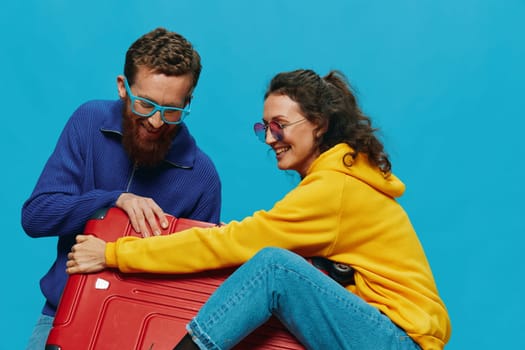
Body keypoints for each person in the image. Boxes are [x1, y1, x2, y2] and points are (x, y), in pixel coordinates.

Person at [67, 69, 451, 349]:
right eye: (264, 127)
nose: (269, 138)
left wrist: (115, 253)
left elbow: (236, 243)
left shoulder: (335, 189)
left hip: (397, 340)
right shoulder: (338, 180)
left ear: (317, 124)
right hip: (378, 333)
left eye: (279, 125)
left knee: (273, 268)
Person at [22, 27, 222, 350]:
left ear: (188, 101)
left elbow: (194, 282)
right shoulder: (88, 122)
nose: (156, 122)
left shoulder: (202, 176)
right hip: (62, 315)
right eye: (145, 105)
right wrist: (114, 201)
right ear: (122, 87)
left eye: (172, 110)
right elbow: (36, 216)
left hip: (142, 334)